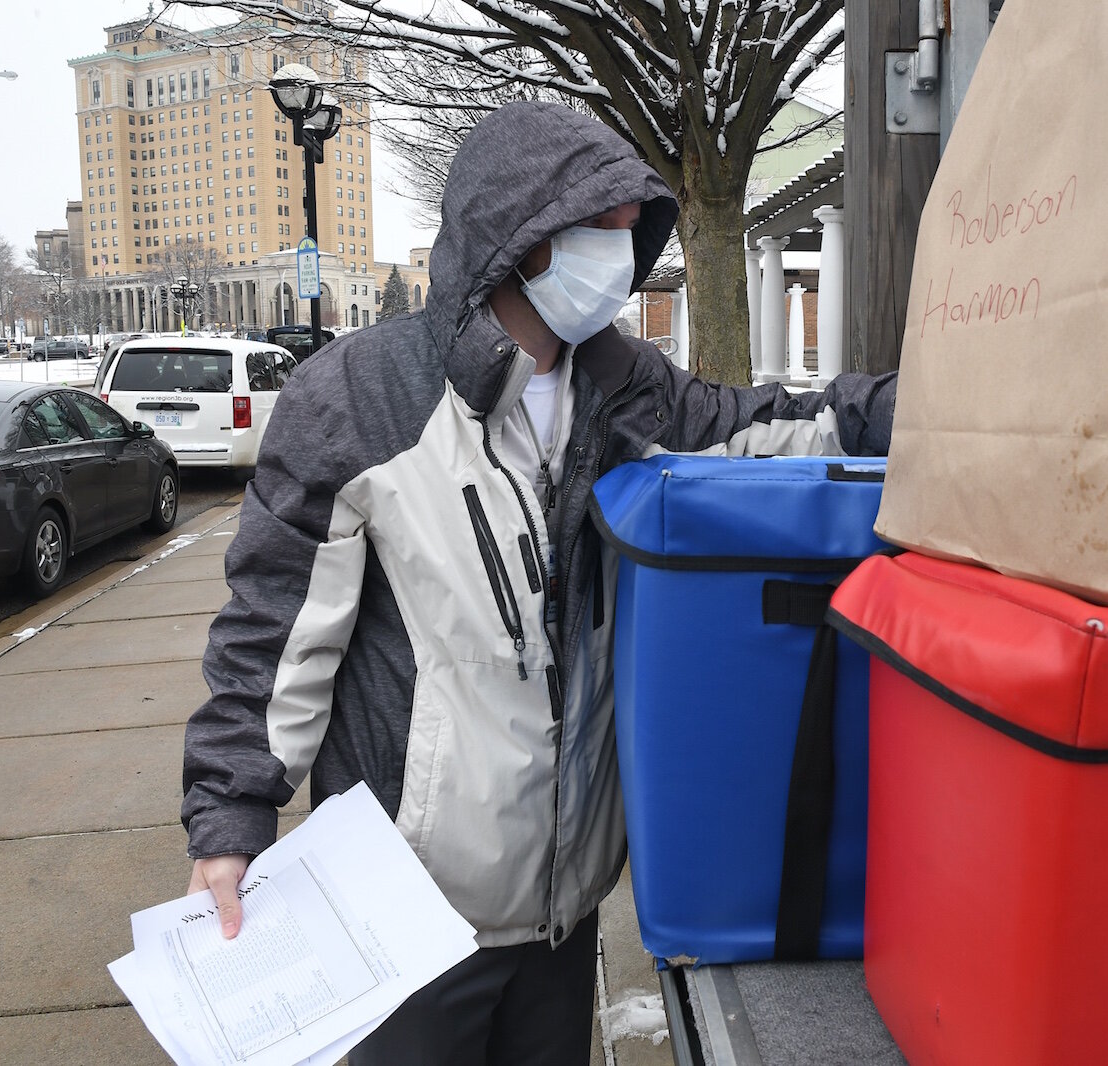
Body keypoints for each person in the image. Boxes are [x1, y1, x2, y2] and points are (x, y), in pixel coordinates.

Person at [181, 99, 896, 1065]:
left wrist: (918, 407)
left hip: (565, 901)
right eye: (592, 228)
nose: (616, 250)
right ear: (516, 239)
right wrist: (231, 820)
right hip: (411, 910)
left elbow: (768, 425)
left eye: (624, 228)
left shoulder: (624, 385)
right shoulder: (360, 397)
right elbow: (273, 634)